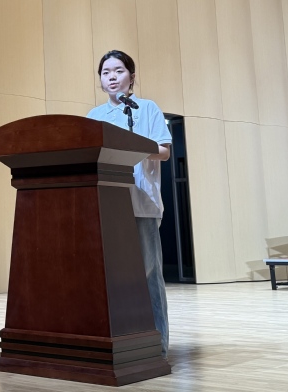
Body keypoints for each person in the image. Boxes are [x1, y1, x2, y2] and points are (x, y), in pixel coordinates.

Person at [86, 50, 172, 358]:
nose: (111, 77)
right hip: (107, 203)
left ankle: (158, 343)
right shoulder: (94, 116)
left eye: (119, 70)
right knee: (110, 276)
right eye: (106, 72)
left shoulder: (147, 108)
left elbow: (164, 151)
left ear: (131, 77)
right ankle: (118, 339)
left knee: (149, 273)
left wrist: (133, 146)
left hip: (141, 203)